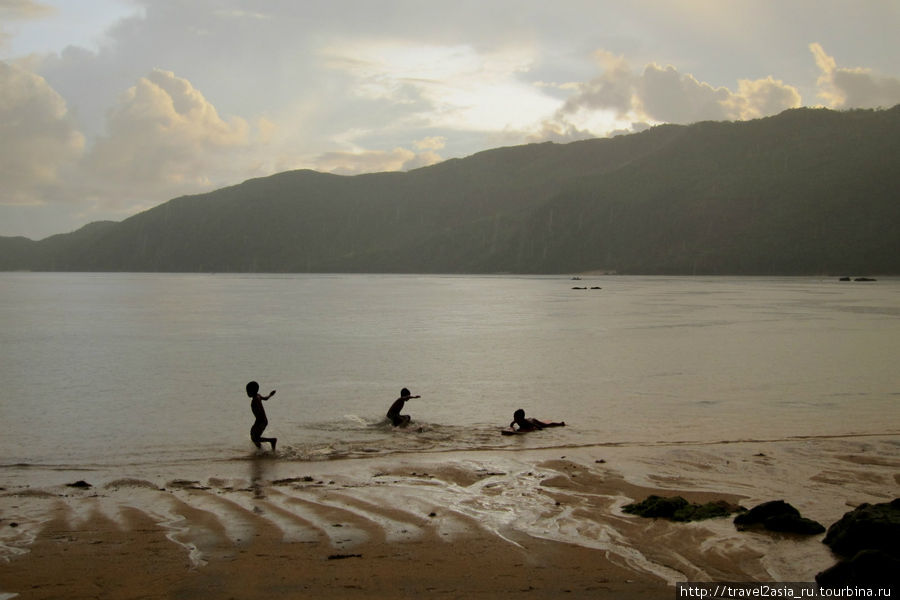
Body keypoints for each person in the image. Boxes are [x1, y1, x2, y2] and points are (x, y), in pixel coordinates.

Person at [246, 381, 277, 450]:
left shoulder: (255, 400)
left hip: (261, 421)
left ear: (253, 391)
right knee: (253, 436)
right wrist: (270, 395)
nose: (247, 393)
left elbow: (259, 411)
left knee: (255, 438)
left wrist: (259, 423)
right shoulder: (258, 396)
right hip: (260, 421)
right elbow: (266, 398)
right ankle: (260, 450)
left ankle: (272, 440)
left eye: (248, 391)